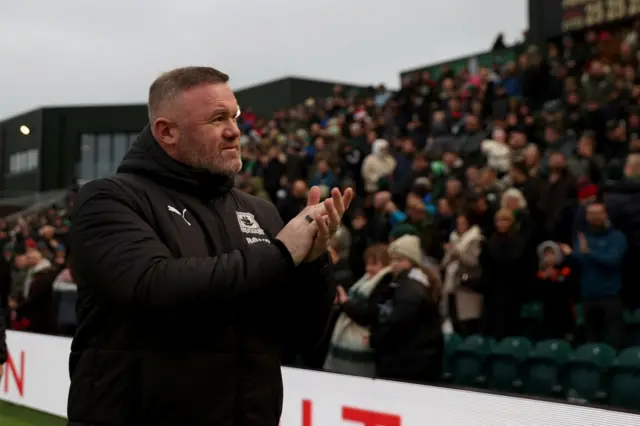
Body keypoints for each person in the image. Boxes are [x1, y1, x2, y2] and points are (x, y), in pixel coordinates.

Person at [67, 66, 353, 426]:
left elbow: (301, 335)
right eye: (217, 119)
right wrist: (282, 254)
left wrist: (312, 264)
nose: (235, 131)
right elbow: (153, 286)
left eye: (234, 116)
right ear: (167, 132)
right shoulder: (109, 198)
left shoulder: (258, 210)